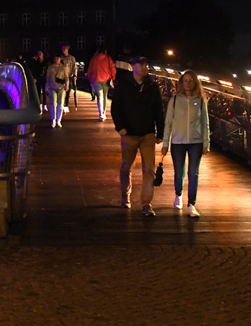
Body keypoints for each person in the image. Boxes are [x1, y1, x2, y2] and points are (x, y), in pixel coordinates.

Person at [110, 56, 165, 216]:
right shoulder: (123, 85)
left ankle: (146, 203)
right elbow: (116, 108)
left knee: (149, 170)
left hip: (147, 133)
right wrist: (120, 127)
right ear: (133, 66)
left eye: (146, 64)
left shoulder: (152, 87)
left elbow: (158, 111)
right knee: (126, 167)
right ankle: (125, 196)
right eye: (141, 64)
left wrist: (160, 133)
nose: (145, 67)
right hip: (129, 134)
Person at [161, 70, 210, 218]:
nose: (187, 83)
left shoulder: (200, 101)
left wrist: (206, 143)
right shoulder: (175, 101)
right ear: (181, 83)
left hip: (196, 141)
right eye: (185, 80)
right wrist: (165, 143)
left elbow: (205, 122)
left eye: (191, 80)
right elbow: (168, 122)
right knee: (179, 172)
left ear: (195, 82)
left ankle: (192, 204)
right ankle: (178, 194)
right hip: (178, 141)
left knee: (193, 173)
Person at [86, 46, 117, 121]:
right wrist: (113, 77)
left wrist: (90, 79)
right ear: (105, 51)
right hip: (106, 80)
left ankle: (101, 113)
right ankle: (104, 112)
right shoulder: (108, 58)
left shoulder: (94, 58)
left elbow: (89, 70)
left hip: (96, 80)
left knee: (100, 97)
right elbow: (113, 69)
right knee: (105, 96)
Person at [45, 55, 67, 127]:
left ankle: (59, 120)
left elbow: (66, 77)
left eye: (58, 58)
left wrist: (67, 86)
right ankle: (53, 120)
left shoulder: (63, 67)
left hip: (61, 87)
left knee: (60, 104)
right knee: (53, 104)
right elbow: (48, 78)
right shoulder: (50, 67)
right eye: (55, 58)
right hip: (52, 86)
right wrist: (47, 87)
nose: (56, 59)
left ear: (60, 59)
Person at [59, 45, 78, 111]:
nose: (63, 50)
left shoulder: (72, 58)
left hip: (69, 76)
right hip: (61, 76)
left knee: (68, 91)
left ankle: (66, 105)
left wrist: (75, 75)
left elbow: (74, 67)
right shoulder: (60, 58)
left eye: (65, 48)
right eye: (63, 48)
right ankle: (62, 103)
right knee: (61, 91)